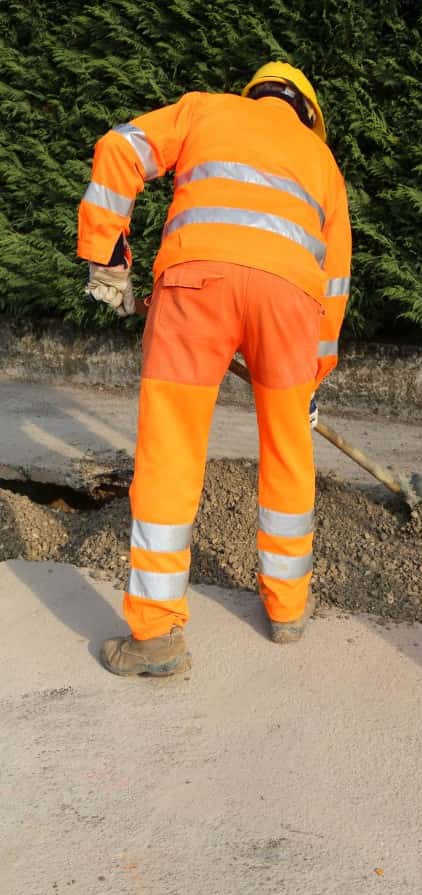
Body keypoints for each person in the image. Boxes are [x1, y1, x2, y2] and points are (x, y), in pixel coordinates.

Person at [78, 62, 352, 677]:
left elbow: (120, 148)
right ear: (310, 114)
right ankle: (287, 609)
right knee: (288, 450)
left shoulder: (205, 110)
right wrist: (313, 374)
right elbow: (334, 286)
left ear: (254, 93)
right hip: (291, 308)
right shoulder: (323, 165)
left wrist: (108, 259)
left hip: (193, 283)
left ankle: (155, 639)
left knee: (170, 450)